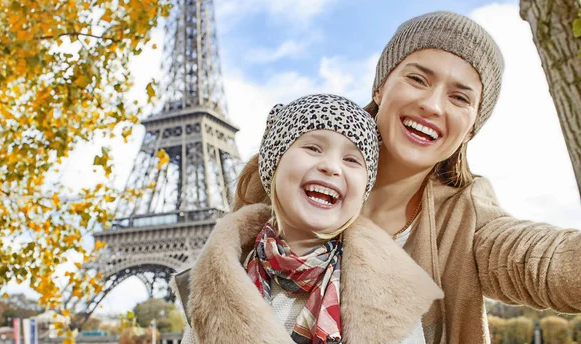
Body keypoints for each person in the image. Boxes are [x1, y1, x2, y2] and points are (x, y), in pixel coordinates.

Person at [232, 12, 581, 344]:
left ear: (471, 128)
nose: (432, 105)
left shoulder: (465, 215)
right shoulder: (290, 168)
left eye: (459, 97)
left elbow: (534, 259)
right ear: (380, 88)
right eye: (417, 79)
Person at [175, 94, 443, 344]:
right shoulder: (211, 288)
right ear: (274, 164)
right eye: (313, 148)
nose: (332, 166)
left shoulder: (393, 298)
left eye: (352, 159)